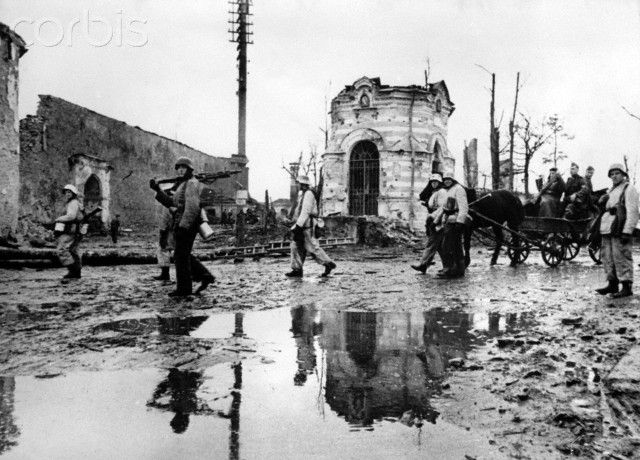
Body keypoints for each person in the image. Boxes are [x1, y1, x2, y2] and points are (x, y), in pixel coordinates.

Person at [150, 157, 215, 298]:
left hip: (187, 225)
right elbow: (172, 203)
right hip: (182, 224)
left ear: (189, 170)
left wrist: (183, 226)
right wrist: (158, 190)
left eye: (183, 168)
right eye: (178, 168)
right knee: (182, 255)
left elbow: (192, 207)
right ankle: (204, 276)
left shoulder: (191, 184)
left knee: (180, 256)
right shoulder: (183, 184)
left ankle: (184, 290)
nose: (180, 170)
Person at [595, 163, 639, 298]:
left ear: (623, 174)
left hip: (620, 227)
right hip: (608, 227)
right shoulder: (611, 190)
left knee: (621, 256)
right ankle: (612, 284)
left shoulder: (629, 188)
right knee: (607, 256)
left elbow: (632, 211)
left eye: (617, 173)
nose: (614, 176)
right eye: (612, 174)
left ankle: (626, 286)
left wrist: (627, 230)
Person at [285, 175, 336, 278]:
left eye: (298, 183)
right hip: (302, 224)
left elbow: (306, 211)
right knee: (296, 246)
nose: (297, 185)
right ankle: (297, 269)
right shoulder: (303, 195)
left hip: (307, 225)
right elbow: (299, 211)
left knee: (312, 247)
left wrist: (298, 226)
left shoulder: (308, 194)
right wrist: (294, 223)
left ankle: (328, 263)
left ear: (302, 184)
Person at [411, 173, 447, 273]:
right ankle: (448, 266)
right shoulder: (435, 192)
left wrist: (435, 221)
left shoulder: (442, 192)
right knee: (438, 246)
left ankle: (423, 264)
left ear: (440, 183)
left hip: (438, 220)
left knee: (432, 243)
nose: (434, 184)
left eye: (436, 182)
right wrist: (427, 204)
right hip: (433, 219)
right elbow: (433, 205)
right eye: (432, 182)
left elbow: (442, 208)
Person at [437, 171, 469, 278]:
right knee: (450, 245)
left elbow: (464, 207)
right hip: (448, 220)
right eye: (445, 180)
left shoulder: (459, 189)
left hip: (455, 221)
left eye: (449, 179)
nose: (447, 181)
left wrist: (460, 222)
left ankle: (455, 270)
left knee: (452, 246)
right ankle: (454, 269)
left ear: (453, 180)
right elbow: (445, 207)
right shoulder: (448, 190)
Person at [55, 184, 84, 279]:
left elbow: (71, 216)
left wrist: (59, 219)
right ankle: (77, 272)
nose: (67, 194)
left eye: (69, 192)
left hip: (71, 230)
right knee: (73, 251)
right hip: (76, 230)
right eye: (66, 192)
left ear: (73, 193)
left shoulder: (73, 203)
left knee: (62, 249)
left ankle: (72, 271)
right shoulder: (75, 202)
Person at [155, 188, 176, 282]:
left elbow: (164, 221)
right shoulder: (177, 204)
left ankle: (165, 274)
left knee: (163, 250)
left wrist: (162, 235)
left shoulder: (167, 207)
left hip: (168, 232)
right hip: (176, 231)